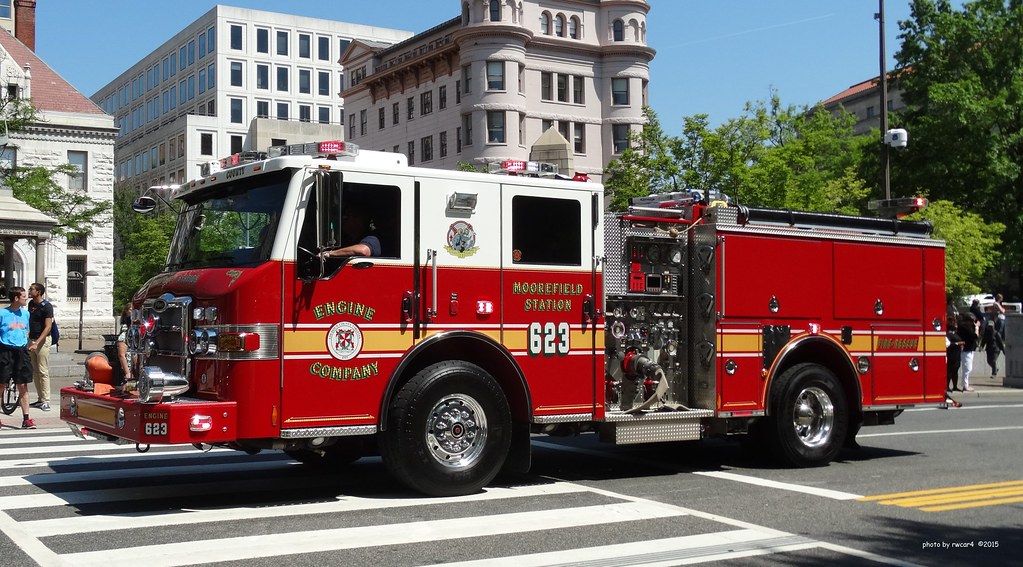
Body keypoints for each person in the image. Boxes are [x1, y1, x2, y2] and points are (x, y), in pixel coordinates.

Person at [0, 287, 38, 429]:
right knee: (1, 385)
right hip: (5, 352)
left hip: (21, 352)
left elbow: (25, 331)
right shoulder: (2, 314)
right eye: (23, 296)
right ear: (16, 298)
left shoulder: (26, 314)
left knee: (23, 385)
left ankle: (26, 419)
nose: (26, 298)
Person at [26, 282, 53, 411]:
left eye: (32, 289)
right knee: (35, 371)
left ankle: (46, 400)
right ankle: (40, 398)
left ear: (39, 292)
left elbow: (48, 327)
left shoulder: (46, 306)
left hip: (42, 341)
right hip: (31, 339)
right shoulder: (31, 304)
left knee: (43, 371)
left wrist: (37, 342)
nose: (29, 291)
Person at [957, 312, 980, 392]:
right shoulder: (965, 327)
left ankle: (965, 384)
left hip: (969, 349)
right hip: (966, 349)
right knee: (967, 368)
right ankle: (965, 385)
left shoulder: (966, 326)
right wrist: (977, 327)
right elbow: (975, 336)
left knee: (968, 368)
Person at [946, 316, 964, 392]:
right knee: (949, 371)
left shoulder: (955, 333)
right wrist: (957, 343)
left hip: (957, 354)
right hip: (951, 354)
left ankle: (955, 386)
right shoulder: (947, 334)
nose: (956, 325)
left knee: (955, 371)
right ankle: (947, 386)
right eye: (955, 323)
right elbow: (947, 344)